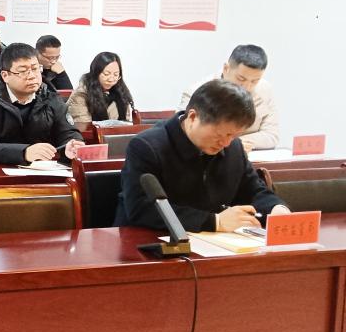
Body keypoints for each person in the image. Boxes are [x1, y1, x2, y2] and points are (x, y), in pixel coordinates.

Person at [116, 79, 289, 232]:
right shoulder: (147, 147)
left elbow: (253, 190)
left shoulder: (233, 148)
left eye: (233, 135)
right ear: (193, 117)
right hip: (148, 243)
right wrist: (215, 221)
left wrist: (276, 208)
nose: (226, 143)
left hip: (213, 243)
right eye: (220, 135)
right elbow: (141, 209)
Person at [0, 43, 83, 165]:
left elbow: (69, 133)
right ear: (5, 76)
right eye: (23, 71)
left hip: (43, 170)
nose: (32, 76)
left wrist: (71, 146)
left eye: (35, 69)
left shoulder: (50, 97)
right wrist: (23, 153)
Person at [178, 44, 278, 151]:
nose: (247, 87)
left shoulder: (264, 90)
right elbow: (183, 133)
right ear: (226, 69)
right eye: (241, 79)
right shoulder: (197, 92)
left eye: (255, 81)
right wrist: (234, 145)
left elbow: (271, 136)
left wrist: (238, 144)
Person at [67, 52, 134, 124]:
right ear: (96, 73)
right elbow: (84, 127)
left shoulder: (120, 92)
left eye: (116, 75)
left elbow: (127, 123)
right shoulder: (81, 95)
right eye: (106, 74)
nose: (111, 79)